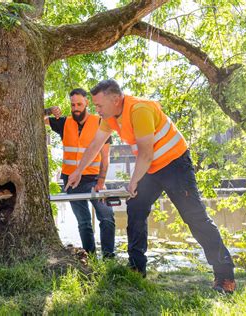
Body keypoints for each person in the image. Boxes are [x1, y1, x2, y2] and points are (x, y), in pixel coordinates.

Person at [65, 79, 236, 293]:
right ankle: (137, 269)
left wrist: (133, 182)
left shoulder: (140, 110)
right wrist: (79, 171)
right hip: (151, 168)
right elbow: (94, 145)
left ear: (116, 100)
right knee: (135, 209)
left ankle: (225, 276)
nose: (96, 110)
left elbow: (146, 153)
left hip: (175, 164)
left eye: (99, 105)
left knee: (195, 217)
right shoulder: (109, 118)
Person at [45, 88, 115, 258]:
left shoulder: (101, 123)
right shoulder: (64, 122)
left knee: (106, 217)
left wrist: (101, 181)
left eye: (79, 104)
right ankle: (90, 259)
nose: (75, 108)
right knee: (84, 223)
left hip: (94, 180)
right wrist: (48, 110)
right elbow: (35, 118)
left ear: (86, 103)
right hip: (72, 182)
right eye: (72, 104)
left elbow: (105, 158)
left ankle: (108, 258)